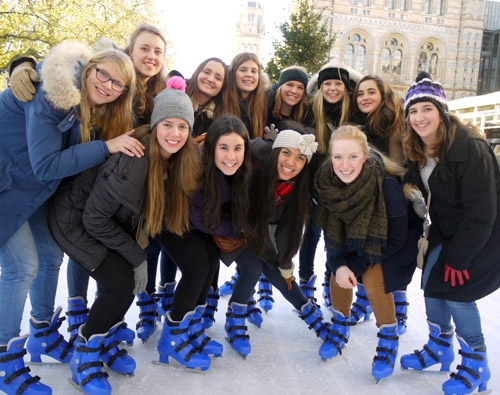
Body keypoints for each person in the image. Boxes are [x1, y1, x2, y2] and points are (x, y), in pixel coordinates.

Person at [0, 40, 142, 395]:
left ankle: (42, 334)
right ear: (89, 66)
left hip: (30, 188)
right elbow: (46, 165)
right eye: (102, 74)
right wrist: (107, 147)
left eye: (117, 83)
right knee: (22, 266)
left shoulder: (89, 105)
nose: (107, 85)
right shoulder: (54, 94)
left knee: (50, 256)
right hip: (7, 185)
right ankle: (4, 360)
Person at [49, 82, 200, 394]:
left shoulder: (174, 159)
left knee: (127, 280)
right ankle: (84, 355)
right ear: (156, 125)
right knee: (120, 284)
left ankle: (105, 341)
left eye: (182, 127)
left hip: (100, 223)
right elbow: (94, 218)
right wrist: (137, 257)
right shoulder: (137, 158)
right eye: (168, 125)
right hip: (74, 220)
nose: (175, 133)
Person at [399, 72, 500, 395]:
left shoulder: (469, 147)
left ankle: (476, 363)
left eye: (426, 109)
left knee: (457, 292)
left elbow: (482, 211)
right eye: (413, 111)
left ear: (441, 112)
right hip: (447, 231)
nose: (419, 117)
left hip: (485, 234)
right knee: (431, 285)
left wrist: (460, 258)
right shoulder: (418, 149)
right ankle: (440, 346)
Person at [221, 123, 339, 361]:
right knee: (254, 269)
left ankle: (310, 316)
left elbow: (286, 231)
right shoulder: (252, 169)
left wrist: (285, 264)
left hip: (255, 231)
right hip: (225, 225)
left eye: (300, 158)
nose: (291, 163)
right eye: (286, 153)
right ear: (276, 151)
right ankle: (234, 320)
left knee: (278, 271)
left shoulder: (295, 189)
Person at [314, 124, 415, 381]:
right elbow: (331, 234)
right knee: (338, 267)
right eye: (338, 157)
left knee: (370, 272)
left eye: (352, 157)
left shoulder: (387, 185)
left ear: (365, 157)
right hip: (350, 246)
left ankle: (388, 337)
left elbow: (395, 238)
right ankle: (340, 326)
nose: (344, 164)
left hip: (391, 249)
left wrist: (354, 266)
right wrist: (339, 265)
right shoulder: (328, 183)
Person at [155, 114, 252, 371]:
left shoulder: (241, 170)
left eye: (237, 148)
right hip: (171, 222)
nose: (231, 156)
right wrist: (235, 229)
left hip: (196, 224)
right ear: (212, 148)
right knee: (196, 268)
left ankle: (192, 330)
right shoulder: (197, 165)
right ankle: (172, 337)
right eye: (223, 148)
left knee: (210, 266)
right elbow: (200, 216)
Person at [348, 74, 410, 331]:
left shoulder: (395, 122)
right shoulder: (357, 123)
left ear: (383, 94)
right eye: (360, 93)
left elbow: (399, 166)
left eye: (371, 92)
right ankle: (364, 301)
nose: (365, 98)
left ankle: (400, 308)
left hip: (393, 198)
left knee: (391, 259)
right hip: (365, 198)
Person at [299, 64, 354, 311]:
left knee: (336, 239)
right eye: (327, 84)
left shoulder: (351, 113)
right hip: (315, 189)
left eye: (338, 84)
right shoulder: (311, 111)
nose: (332, 89)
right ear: (320, 88)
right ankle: (305, 284)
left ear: (345, 87)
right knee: (310, 236)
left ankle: (329, 283)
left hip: (343, 191)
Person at [226, 52, 268, 138]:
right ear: (233, 74)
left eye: (254, 71)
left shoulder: (267, 102)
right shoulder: (220, 100)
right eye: (243, 70)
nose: (249, 75)